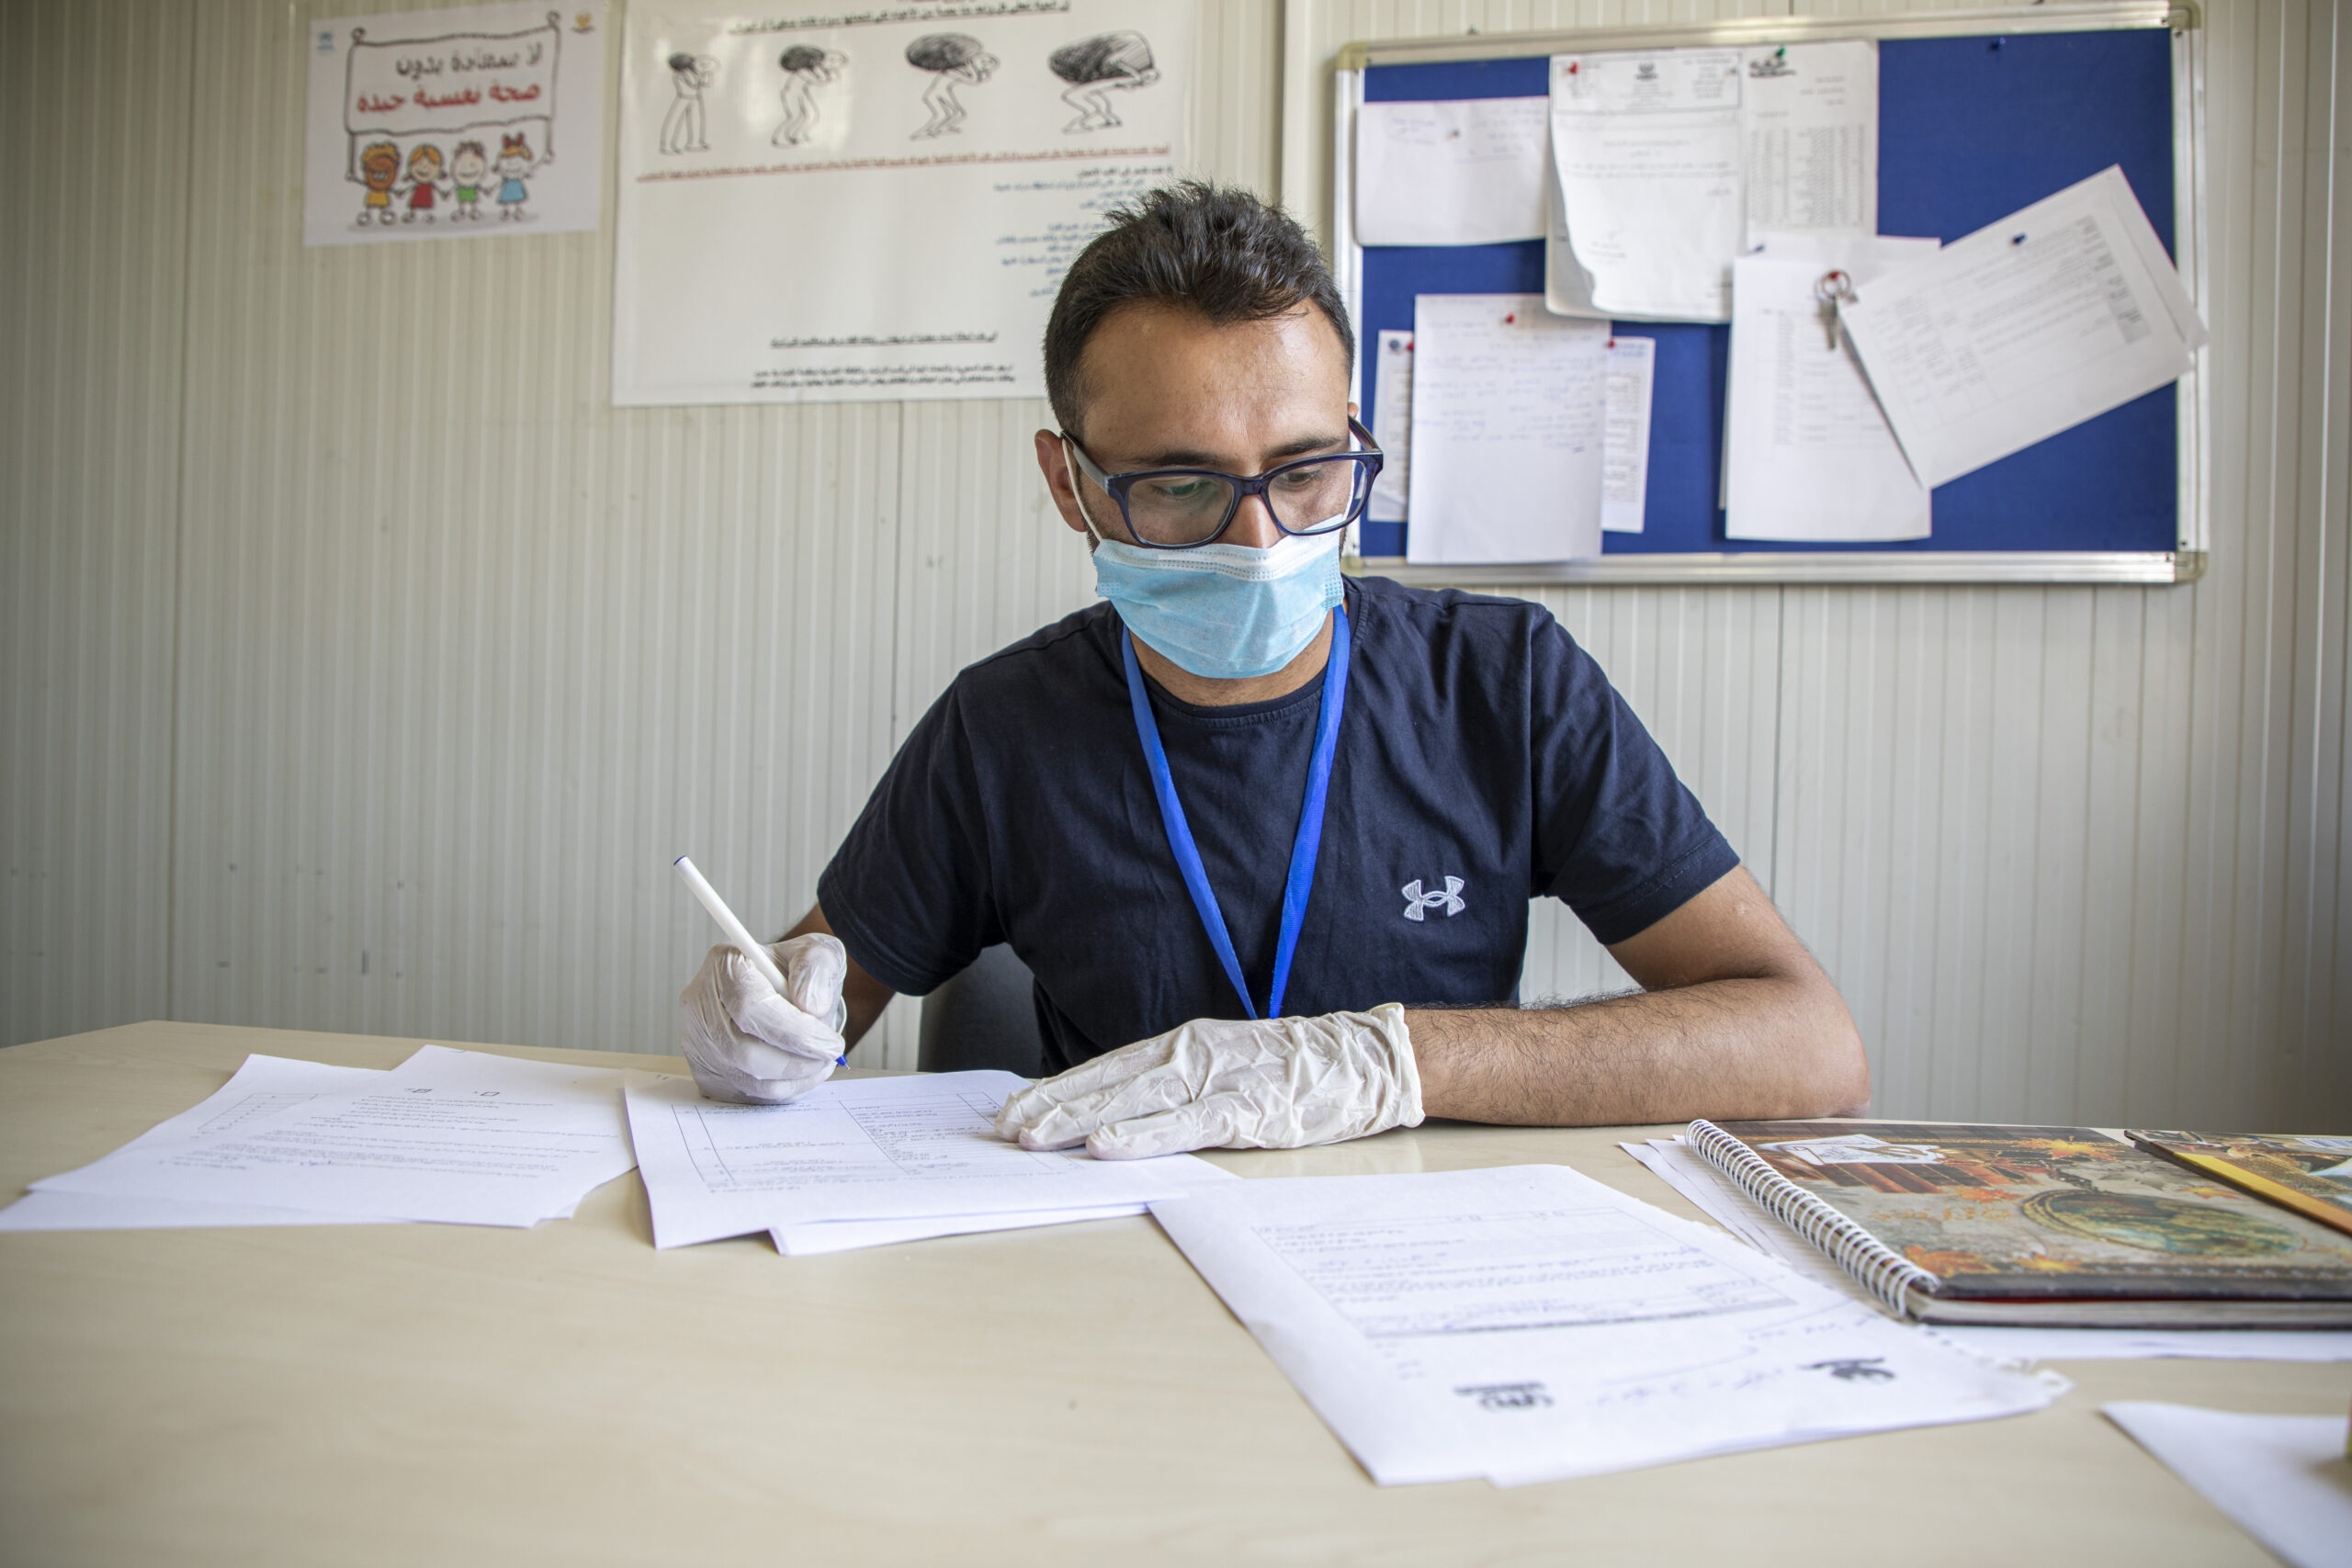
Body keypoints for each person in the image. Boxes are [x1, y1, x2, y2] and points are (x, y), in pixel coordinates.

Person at [677, 182, 1868, 1158]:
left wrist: (1394, 1058)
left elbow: (1810, 1049)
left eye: (1306, 471)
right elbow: (817, 1002)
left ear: (1355, 435)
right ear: (1069, 485)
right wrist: (763, 1027)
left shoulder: (1504, 683)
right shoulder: (1004, 728)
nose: (1262, 542)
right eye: (1183, 486)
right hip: (1099, 1276)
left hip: (1420, 1265)